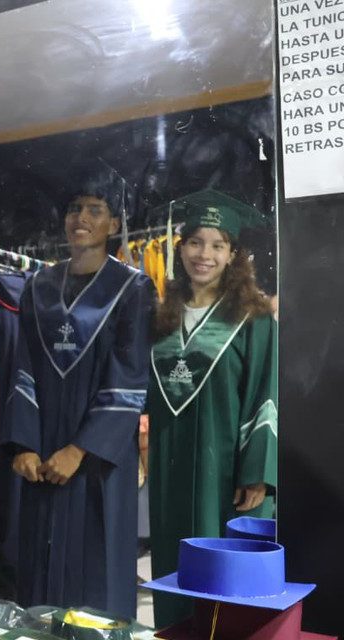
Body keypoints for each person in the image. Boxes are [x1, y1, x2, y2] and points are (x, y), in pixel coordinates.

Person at [3, 169, 155, 618]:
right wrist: (24, 443)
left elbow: (129, 379)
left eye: (95, 209)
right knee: (39, 573)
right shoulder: (38, 287)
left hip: (98, 462)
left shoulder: (133, 288)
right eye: (74, 208)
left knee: (98, 573)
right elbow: (23, 366)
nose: (81, 218)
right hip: (43, 451)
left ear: (114, 223)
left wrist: (80, 449)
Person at [146, 190, 277, 628]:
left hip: (225, 473)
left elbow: (266, 394)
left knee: (221, 581)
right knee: (171, 565)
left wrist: (257, 473)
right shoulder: (162, 316)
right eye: (196, 242)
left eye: (217, 245)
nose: (205, 254)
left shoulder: (252, 318)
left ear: (233, 254)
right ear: (180, 247)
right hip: (169, 465)